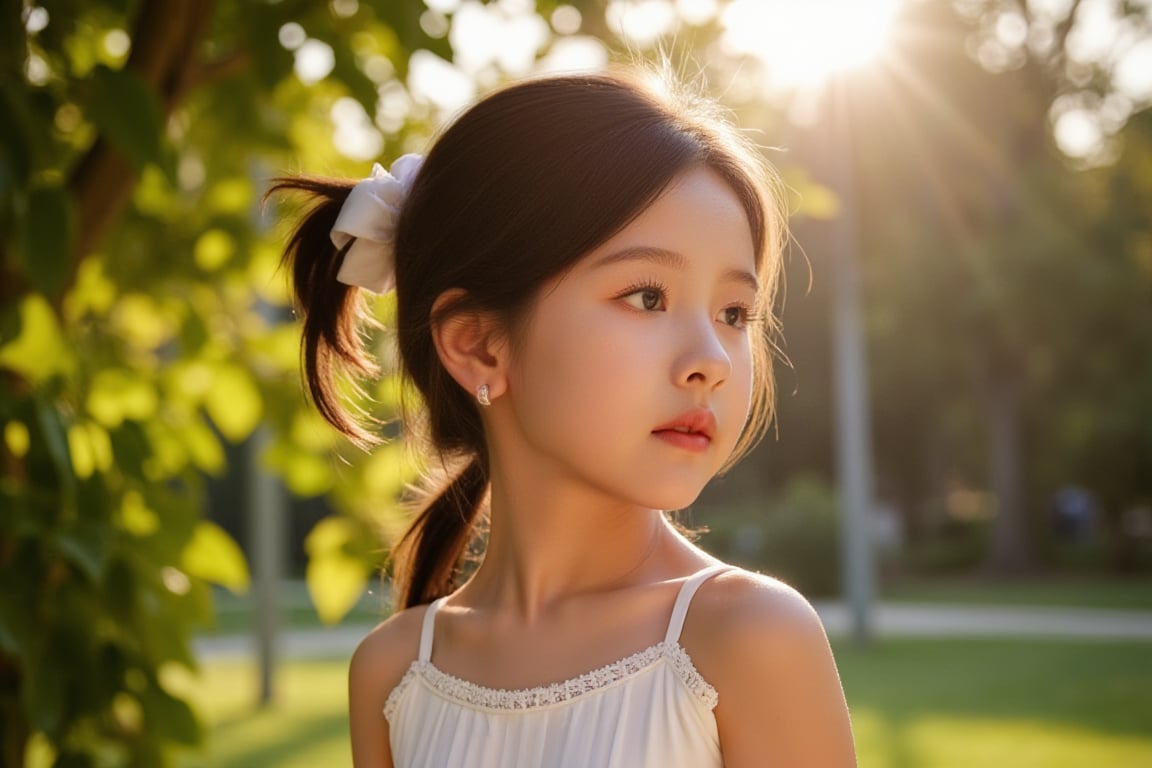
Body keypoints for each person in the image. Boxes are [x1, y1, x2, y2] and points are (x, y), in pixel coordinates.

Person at [271, 68, 856, 767]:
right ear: (478, 345)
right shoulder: (392, 675)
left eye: (734, 313)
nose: (712, 360)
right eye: (646, 297)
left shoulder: (746, 639)